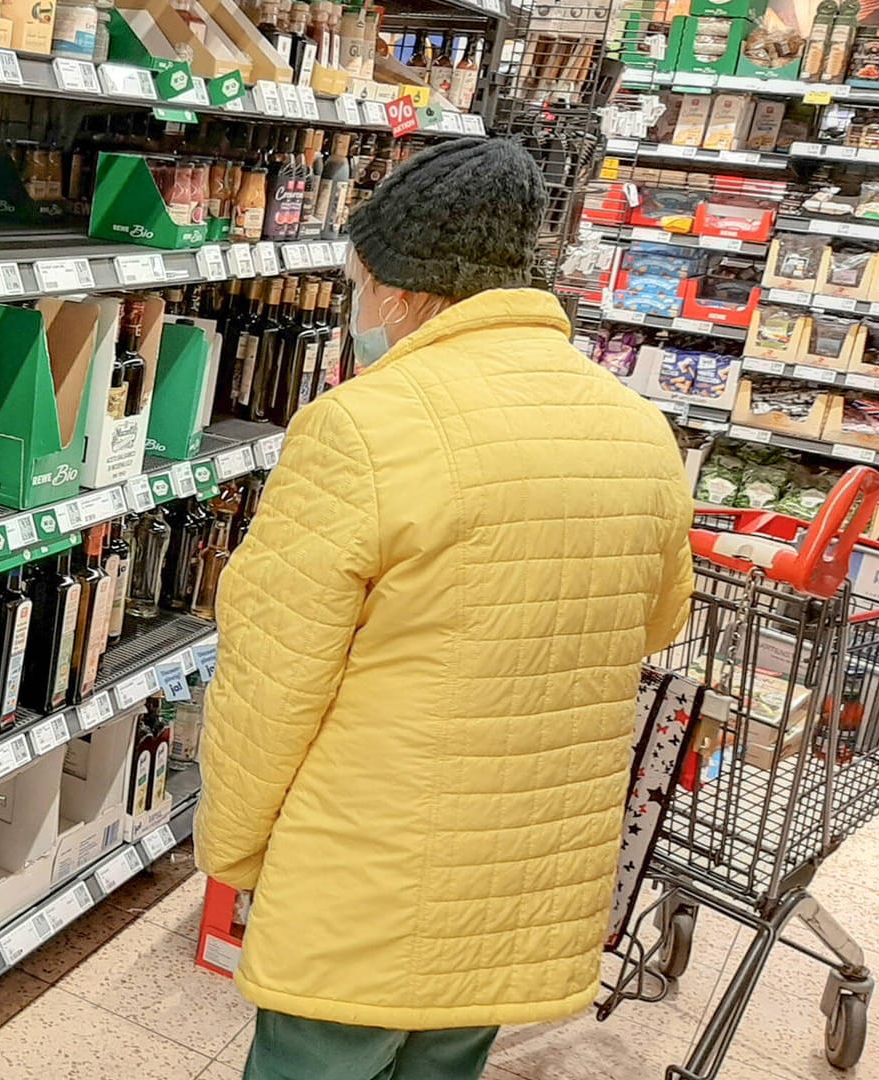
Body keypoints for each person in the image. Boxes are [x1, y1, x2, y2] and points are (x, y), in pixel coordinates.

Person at [195, 137, 696, 1080]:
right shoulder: (637, 427)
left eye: (358, 283)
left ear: (407, 291)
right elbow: (658, 620)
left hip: (370, 883)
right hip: (519, 884)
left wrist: (234, 843)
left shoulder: (363, 428)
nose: (356, 310)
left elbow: (274, 681)